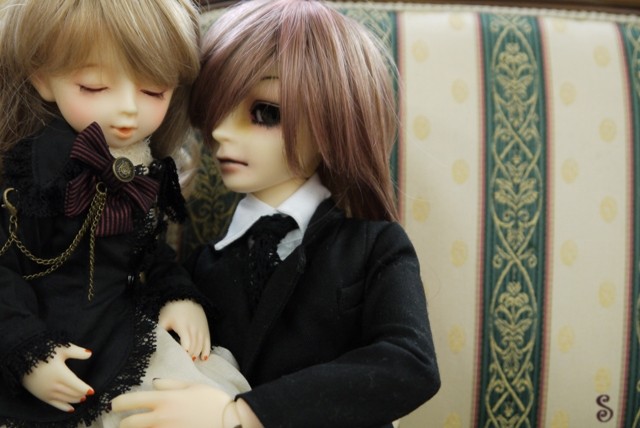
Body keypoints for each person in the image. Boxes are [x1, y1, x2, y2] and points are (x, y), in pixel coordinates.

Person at [112, 0, 440, 427]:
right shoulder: (199, 269)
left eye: (265, 113)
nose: (220, 132)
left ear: (335, 121)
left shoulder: (373, 246)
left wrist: (243, 414)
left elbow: (409, 362)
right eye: (214, 112)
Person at [0, 1, 249, 427]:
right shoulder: (39, 173)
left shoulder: (144, 164)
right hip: (55, 344)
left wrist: (178, 294)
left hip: (122, 333)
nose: (129, 109)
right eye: (95, 87)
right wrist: (25, 348)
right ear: (43, 78)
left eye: (153, 91)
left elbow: (146, 251)